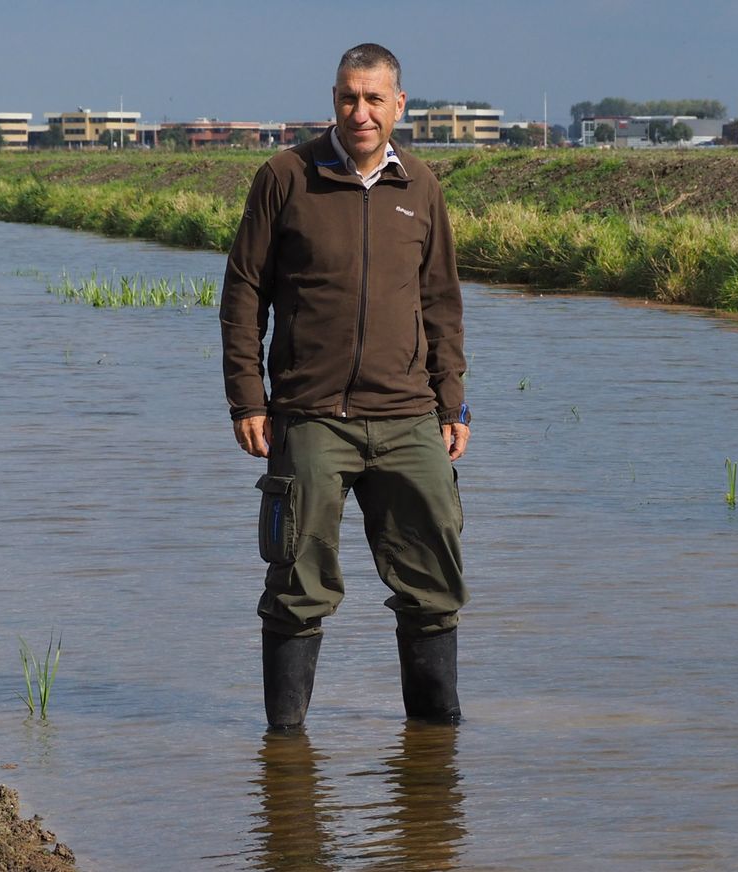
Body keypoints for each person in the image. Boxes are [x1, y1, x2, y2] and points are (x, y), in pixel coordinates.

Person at [221, 42, 471, 732]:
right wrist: (247, 397)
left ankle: (435, 747)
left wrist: (452, 400)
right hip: (310, 417)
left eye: (373, 99)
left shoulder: (421, 186)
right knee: (296, 586)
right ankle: (284, 749)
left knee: (434, 587)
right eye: (347, 97)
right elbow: (244, 293)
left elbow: (442, 302)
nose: (360, 112)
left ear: (399, 105)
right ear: (333, 100)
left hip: (408, 417)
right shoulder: (285, 176)